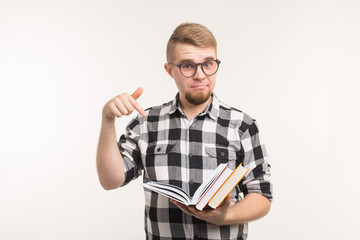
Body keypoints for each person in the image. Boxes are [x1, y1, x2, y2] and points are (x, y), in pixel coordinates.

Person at [96, 22, 272, 240]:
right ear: (170, 70)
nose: (200, 75)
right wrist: (107, 120)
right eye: (188, 66)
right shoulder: (145, 123)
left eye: (208, 64)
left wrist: (224, 216)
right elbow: (110, 180)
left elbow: (262, 196)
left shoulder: (242, 125)